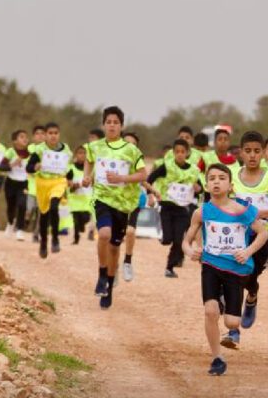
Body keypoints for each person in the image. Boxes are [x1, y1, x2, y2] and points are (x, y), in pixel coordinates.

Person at [183, 164, 268, 376]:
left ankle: (237, 304)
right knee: (210, 311)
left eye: (221, 178)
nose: (216, 181)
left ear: (230, 185)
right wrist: (190, 251)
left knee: (232, 322)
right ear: (206, 185)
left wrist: (248, 252)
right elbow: (186, 241)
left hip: (236, 269)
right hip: (211, 265)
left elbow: (263, 233)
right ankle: (217, 358)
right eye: (211, 178)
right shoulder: (201, 212)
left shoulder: (242, 210)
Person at [226, 131, 268, 347]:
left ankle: (253, 295)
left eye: (257, 151)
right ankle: (233, 331)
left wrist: (262, 213)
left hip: (261, 239)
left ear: (263, 153)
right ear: (241, 152)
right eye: (248, 151)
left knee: (248, 280)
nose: (253, 155)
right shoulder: (231, 176)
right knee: (234, 279)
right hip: (236, 239)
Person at [83, 106, 147, 309]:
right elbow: (88, 160)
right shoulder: (95, 146)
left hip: (122, 204)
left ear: (121, 126)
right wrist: (86, 176)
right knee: (103, 235)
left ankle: (109, 286)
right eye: (108, 122)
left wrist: (122, 178)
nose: (111, 125)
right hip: (102, 199)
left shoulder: (131, 150)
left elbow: (142, 174)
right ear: (103, 125)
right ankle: (102, 274)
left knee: (114, 248)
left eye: (115, 122)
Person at [146, 138, 201, 277]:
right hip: (167, 207)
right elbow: (149, 179)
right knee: (167, 240)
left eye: (183, 152)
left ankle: (170, 267)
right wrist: (151, 195)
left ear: (187, 153)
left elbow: (201, 189)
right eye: (177, 152)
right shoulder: (167, 166)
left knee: (178, 241)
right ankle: (163, 234)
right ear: (173, 152)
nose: (180, 154)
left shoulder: (194, 170)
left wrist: (197, 188)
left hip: (183, 209)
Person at [26, 122, 72, 258]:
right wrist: (36, 166)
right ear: (45, 135)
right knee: (44, 214)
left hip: (58, 182)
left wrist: (69, 178)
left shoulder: (66, 150)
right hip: (42, 184)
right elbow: (28, 167)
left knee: (53, 207)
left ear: (59, 134)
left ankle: (55, 239)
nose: (53, 136)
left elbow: (69, 169)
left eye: (55, 133)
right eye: (50, 133)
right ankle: (43, 243)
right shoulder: (39, 150)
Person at [119, 131, 147, 282]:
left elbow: (143, 179)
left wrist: (152, 192)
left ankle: (127, 262)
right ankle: (112, 268)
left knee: (130, 231)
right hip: (115, 201)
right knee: (114, 237)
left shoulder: (138, 161)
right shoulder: (115, 158)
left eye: (133, 144)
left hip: (134, 200)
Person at [1, 130, 30, 240]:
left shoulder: (30, 153)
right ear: (15, 141)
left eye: (26, 137)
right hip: (11, 183)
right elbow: (1, 167)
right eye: (21, 137)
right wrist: (13, 164)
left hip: (23, 183)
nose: (25, 139)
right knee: (11, 207)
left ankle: (20, 230)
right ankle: (10, 222)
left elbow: (33, 167)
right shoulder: (10, 152)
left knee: (22, 205)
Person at [67, 145, 93, 245]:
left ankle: (83, 226)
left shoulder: (91, 169)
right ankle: (76, 239)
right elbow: (68, 183)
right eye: (80, 153)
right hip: (75, 200)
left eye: (84, 153)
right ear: (76, 155)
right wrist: (74, 185)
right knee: (76, 221)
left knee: (86, 218)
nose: (82, 155)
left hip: (87, 200)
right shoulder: (71, 168)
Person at [27, 124, 46, 242]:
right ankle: (26, 219)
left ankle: (36, 233)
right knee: (30, 209)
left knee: (40, 211)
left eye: (42, 134)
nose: (40, 136)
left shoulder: (49, 150)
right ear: (33, 137)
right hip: (30, 185)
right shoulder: (29, 149)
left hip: (43, 185)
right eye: (37, 134)